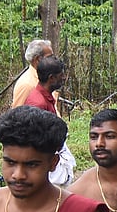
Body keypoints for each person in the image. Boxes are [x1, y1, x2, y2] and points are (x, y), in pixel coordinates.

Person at [22, 55, 76, 185]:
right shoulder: (38, 103)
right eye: (61, 75)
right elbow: (36, 142)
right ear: (51, 78)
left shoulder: (45, 97)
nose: (64, 78)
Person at [11, 39, 54, 109]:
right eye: (49, 57)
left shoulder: (46, 78)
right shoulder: (27, 84)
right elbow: (18, 115)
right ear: (38, 59)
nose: (53, 60)